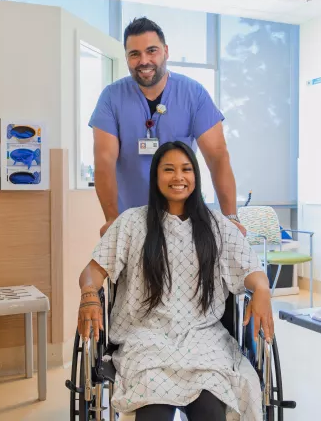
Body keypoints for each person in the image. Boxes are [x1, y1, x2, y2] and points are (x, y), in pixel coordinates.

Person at [77, 141, 273, 421]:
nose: (178, 177)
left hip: (203, 339)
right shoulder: (132, 222)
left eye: (186, 169)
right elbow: (93, 271)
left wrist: (263, 289)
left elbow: (251, 270)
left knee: (210, 410)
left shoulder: (217, 226)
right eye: (169, 169)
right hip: (145, 338)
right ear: (156, 177)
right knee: (153, 412)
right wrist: (88, 294)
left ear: (196, 176)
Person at [89, 17, 246, 237]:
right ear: (126, 57)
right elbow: (104, 161)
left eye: (151, 50)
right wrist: (112, 219)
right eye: (134, 54)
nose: (144, 60)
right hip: (131, 220)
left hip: (186, 218)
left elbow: (217, 156)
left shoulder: (193, 94)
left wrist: (230, 217)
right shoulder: (111, 97)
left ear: (166, 51)